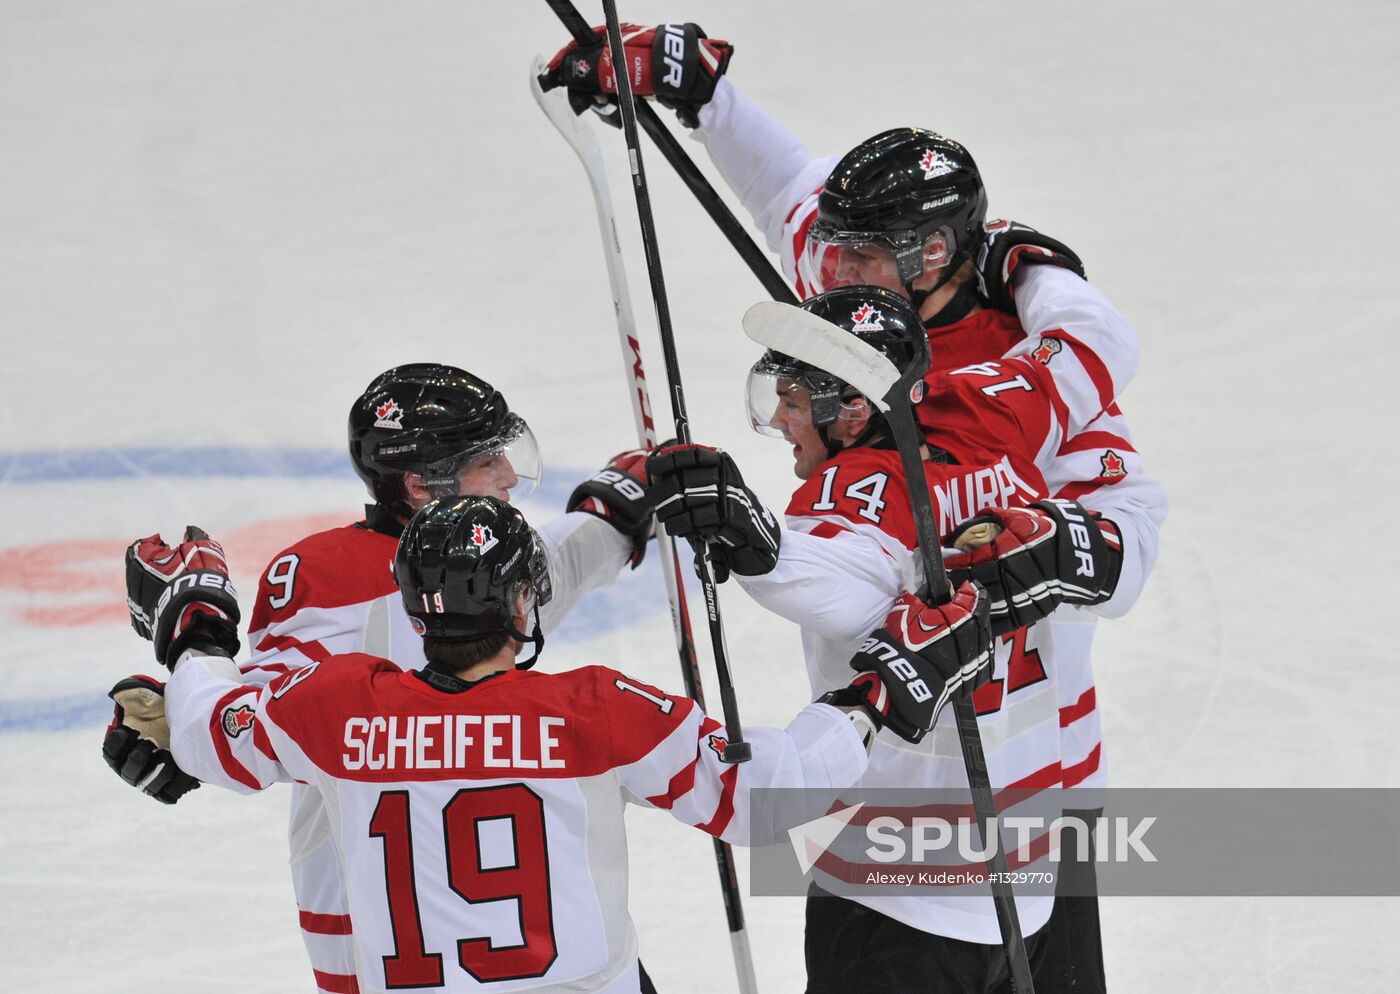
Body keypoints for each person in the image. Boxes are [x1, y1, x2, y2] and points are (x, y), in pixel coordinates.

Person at [544, 34, 1168, 991]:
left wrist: (1066, 553)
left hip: (1044, 800)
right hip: (896, 827)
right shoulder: (859, 318)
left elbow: (1122, 521)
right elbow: (789, 188)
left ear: (935, 259)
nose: (829, 269)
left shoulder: (1033, 387)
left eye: (860, 254)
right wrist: (696, 89)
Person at [115, 492, 997, 994]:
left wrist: (196, 626)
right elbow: (770, 797)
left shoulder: (336, 710)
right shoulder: (593, 710)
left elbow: (201, 733)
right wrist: (881, 690)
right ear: (523, 606)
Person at [103, 362, 657, 994]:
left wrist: (618, 504)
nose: (508, 475)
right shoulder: (341, 583)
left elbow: (241, 728)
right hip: (404, 936)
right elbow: (261, 720)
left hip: (469, 933)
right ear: (421, 486)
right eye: (486, 460)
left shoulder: (478, 563)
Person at [647, 286, 1135, 993]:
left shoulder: (856, 488)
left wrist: (757, 543)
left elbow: (837, 574)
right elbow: (1100, 341)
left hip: (894, 899)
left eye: (793, 399)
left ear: (851, 411)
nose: (782, 420)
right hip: (1028, 878)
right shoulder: (995, 406)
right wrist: (1031, 264)